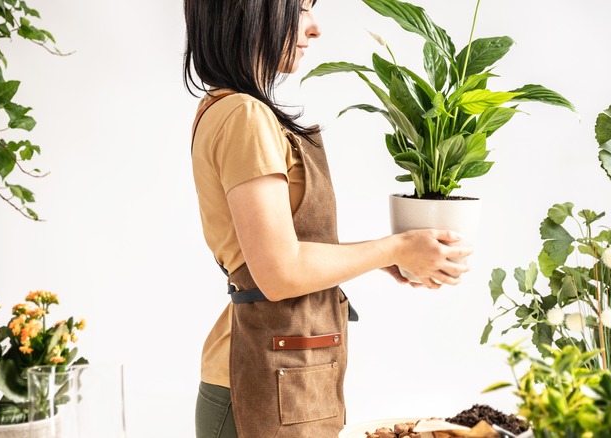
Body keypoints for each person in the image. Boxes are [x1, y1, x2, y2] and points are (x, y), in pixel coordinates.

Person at [183, 0, 472, 436]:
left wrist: (381, 258)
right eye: (300, 9)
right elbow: (279, 271)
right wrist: (394, 247)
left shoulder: (224, 108)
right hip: (258, 380)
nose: (315, 28)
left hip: (282, 373)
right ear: (251, 11)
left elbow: (275, 252)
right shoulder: (244, 115)